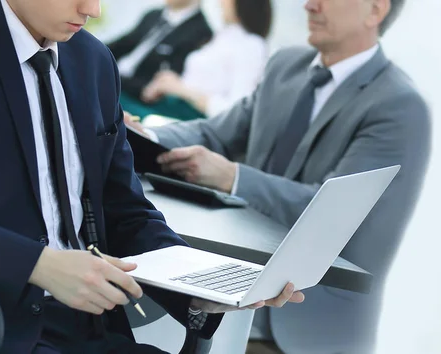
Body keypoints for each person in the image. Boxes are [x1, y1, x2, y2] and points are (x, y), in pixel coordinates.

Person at [0, 0, 304, 353]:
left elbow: (124, 208)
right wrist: (36, 264)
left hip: (91, 328)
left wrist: (197, 286)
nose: (93, 9)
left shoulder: (92, 60)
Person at [125, 0, 431, 353]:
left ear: (375, 10)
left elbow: (337, 214)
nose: (309, 5)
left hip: (303, 328)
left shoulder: (400, 106)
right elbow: (215, 134)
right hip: (229, 303)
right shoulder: (286, 66)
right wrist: (140, 136)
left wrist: (232, 177)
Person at [138, 0, 272, 120]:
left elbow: (237, 111)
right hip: (168, 106)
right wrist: (167, 83)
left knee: (121, 111)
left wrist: (181, 89)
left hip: (190, 119)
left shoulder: (252, 45)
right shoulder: (223, 36)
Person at [107, 0, 213, 103]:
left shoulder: (201, 33)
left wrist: (113, 78)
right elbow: (121, 44)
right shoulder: (153, 15)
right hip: (115, 78)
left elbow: (159, 84)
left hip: (132, 93)